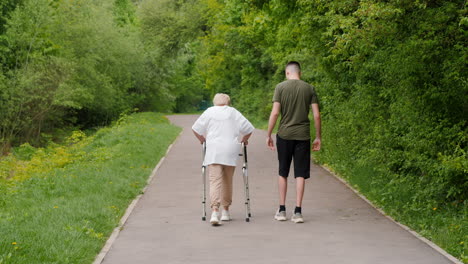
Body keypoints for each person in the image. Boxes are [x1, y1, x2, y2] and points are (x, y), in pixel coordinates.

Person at [266, 61, 321, 223]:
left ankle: (282, 210)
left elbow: (275, 113)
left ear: (287, 73)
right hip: (303, 136)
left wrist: (268, 134)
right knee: (300, 174)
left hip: (284, 135)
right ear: (300, 73)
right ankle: (297, 212)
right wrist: (318, 136)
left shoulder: (280, 87)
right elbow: (317, 115)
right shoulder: (309, 88)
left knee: (283, 172)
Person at [192, 93, 254, 226]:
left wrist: (202, 140)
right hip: (230, 150)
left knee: (215, 180)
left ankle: (215, 211)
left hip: (214, 150)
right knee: (227, 180)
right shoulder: (233, 112)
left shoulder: (209, 112)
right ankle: (225, 211)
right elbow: (249, 128)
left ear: (215, 102)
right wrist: (244, 140)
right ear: (228, 102)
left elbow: (195, 128)